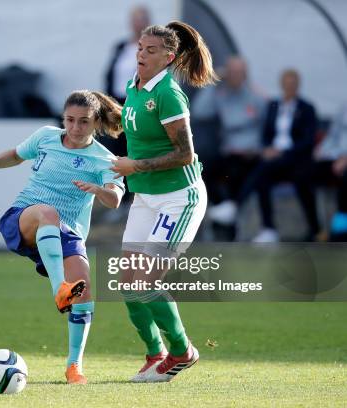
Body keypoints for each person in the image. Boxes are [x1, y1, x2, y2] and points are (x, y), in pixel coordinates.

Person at [0, 90, 124, 384]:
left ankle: (74, 366)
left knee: (86, 289)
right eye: (70, 120)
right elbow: (15, 156)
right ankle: (59, 289)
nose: (75, 128)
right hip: (24, 217)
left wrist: (100, 191)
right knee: (48, 213)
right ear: (62, 118)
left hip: (67, 233)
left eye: (83, 122)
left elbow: (115, 199)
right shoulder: (46, 137)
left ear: (95, 123)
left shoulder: (103, 159)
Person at [110, 21, 217, 382]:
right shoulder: (134, 86)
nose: (141, 53)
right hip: (146, 197)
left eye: (151, 50)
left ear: (169, 57)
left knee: (145, 281)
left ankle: (182, 351)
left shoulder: (169, 94)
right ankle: (155, 353)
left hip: (179, 198)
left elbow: (185, 154)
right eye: (140, 47)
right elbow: (135, 125)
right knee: (127, 284)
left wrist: (134, 165)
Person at [237, 69, 319, 242]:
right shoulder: (273, 106)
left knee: (265, 170)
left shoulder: (306, 108)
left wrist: (282, 152)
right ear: (282, 85)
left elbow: (307, 140)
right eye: (287, 84)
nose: (289, 87)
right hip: (274, 160)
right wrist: (267, 148)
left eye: (293, 84)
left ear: (298, 86)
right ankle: (269, 228)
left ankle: (237, 204)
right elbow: (267, 134)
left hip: (295, 158)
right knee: (262, 178)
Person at [192, 57, 266, 238]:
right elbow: (199, 111)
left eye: (239, 73)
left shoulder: (255, 96)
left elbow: (267, 127)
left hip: (251, 152)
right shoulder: (221, 95)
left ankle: (229, 214)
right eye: (231, 73)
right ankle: (221, 216)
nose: (235, 77)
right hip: (228, 151)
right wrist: (213, 81)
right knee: (203, 171)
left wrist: (259, 148)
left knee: (237, 174)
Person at [100, 5, 151, 222]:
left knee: (136, 150)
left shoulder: (151, 47)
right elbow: (110, 75)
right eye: (135, 20)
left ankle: (135, 199)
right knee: (116, 150)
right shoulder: (122, 46)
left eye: (142, 20)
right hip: (117, 103)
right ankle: (118, 196)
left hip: (137, 103)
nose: (137, 24)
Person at [314, 102, 347, 241]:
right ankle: (317, 229)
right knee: (307, 172)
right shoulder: (344, 107)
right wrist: (320, 151)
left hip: (344, 159)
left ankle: (340, 229)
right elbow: (333, 134)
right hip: (336, 155)